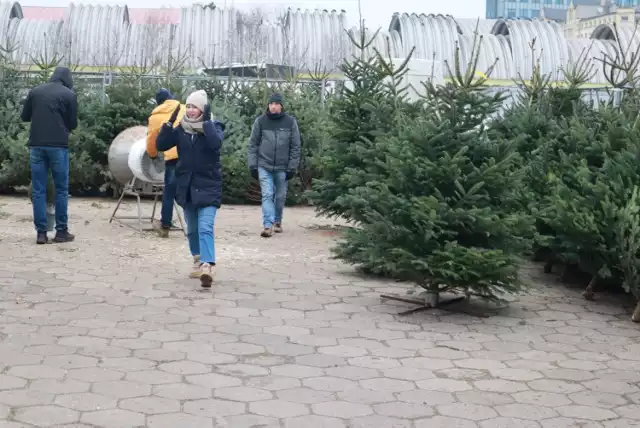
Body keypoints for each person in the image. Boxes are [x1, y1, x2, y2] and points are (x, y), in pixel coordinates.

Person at [156, 90, 225, 288]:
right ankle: (197, 258)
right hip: (186, 187)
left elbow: (215, 144)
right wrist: (167, 125)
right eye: (189, 106)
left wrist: (207, 124)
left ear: (204, 109)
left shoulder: (214, 127)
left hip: (209, 185)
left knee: (205, 227)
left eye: (196, 107)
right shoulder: (181, 129)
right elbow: (161, 144)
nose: (191, 110)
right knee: (192, 230)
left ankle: (207, 265)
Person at [21, 66, 78, 245]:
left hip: (36, 146)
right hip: (58, 147)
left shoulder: (35, 92)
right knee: (61, 189)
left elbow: (25, 117)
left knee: (39, 190)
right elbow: (73, 124)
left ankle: (41, 234)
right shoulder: (69, 95)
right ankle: (61, 232)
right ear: (67, 79)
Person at [247, 93, 301, 238]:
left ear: (281, 106)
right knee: (267, 194)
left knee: (280, 196)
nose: (273, 106)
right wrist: (253, 165)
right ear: (268, 105)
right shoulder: (260, 122)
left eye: (276, 104)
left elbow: (295, 146)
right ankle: (267, 225)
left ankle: (277, 221)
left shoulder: (290, 122)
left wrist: (292, 167)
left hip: (282, 167)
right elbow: (253, 144)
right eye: (271, 104)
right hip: (264, 165)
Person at [146, 88, 186, 238]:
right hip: (189, 153)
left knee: (169, 192)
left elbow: (151, 140)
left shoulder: (155, 117)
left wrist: (152, 155)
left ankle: (165, 225)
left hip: (172, 157)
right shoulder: (182, 108)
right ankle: (198, 222)